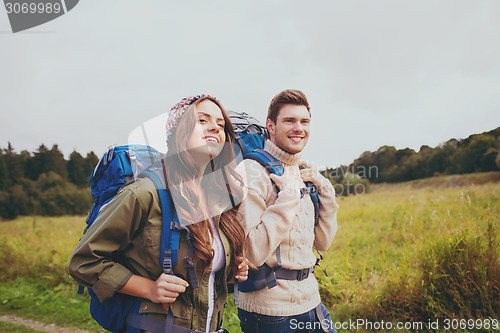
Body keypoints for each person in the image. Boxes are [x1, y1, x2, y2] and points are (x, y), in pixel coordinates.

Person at [69, 95, 249, 333]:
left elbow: (199, 270)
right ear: (178, 133)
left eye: (221, 124)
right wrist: (148, 288)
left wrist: (228, 268)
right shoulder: (145, 193)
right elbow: (84, 262)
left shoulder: (218, 198)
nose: (215, 126)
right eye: (202, 120)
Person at [236, 89, 339, 333]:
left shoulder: (301, 172)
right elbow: (251, 252)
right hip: (270, 313)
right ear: (270, 125)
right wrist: (288, 199)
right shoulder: (251, 171)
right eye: (289, 121)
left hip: (311, 300)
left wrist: (326, 190)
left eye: (304, 121)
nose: (298, 128)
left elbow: (323, 242)